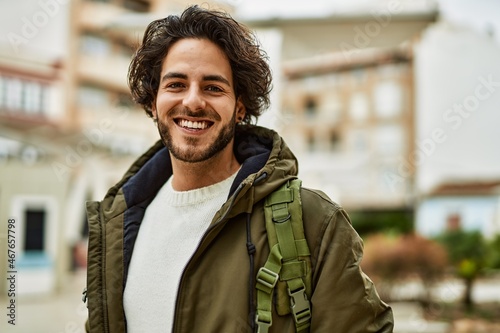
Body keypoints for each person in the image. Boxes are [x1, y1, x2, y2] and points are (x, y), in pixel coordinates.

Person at [84, 5, 394, 333]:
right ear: (153, 101)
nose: (192, 101)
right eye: (175, 84)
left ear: (239, 107)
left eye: (213, 87)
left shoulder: (314, 221)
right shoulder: (118, 221)